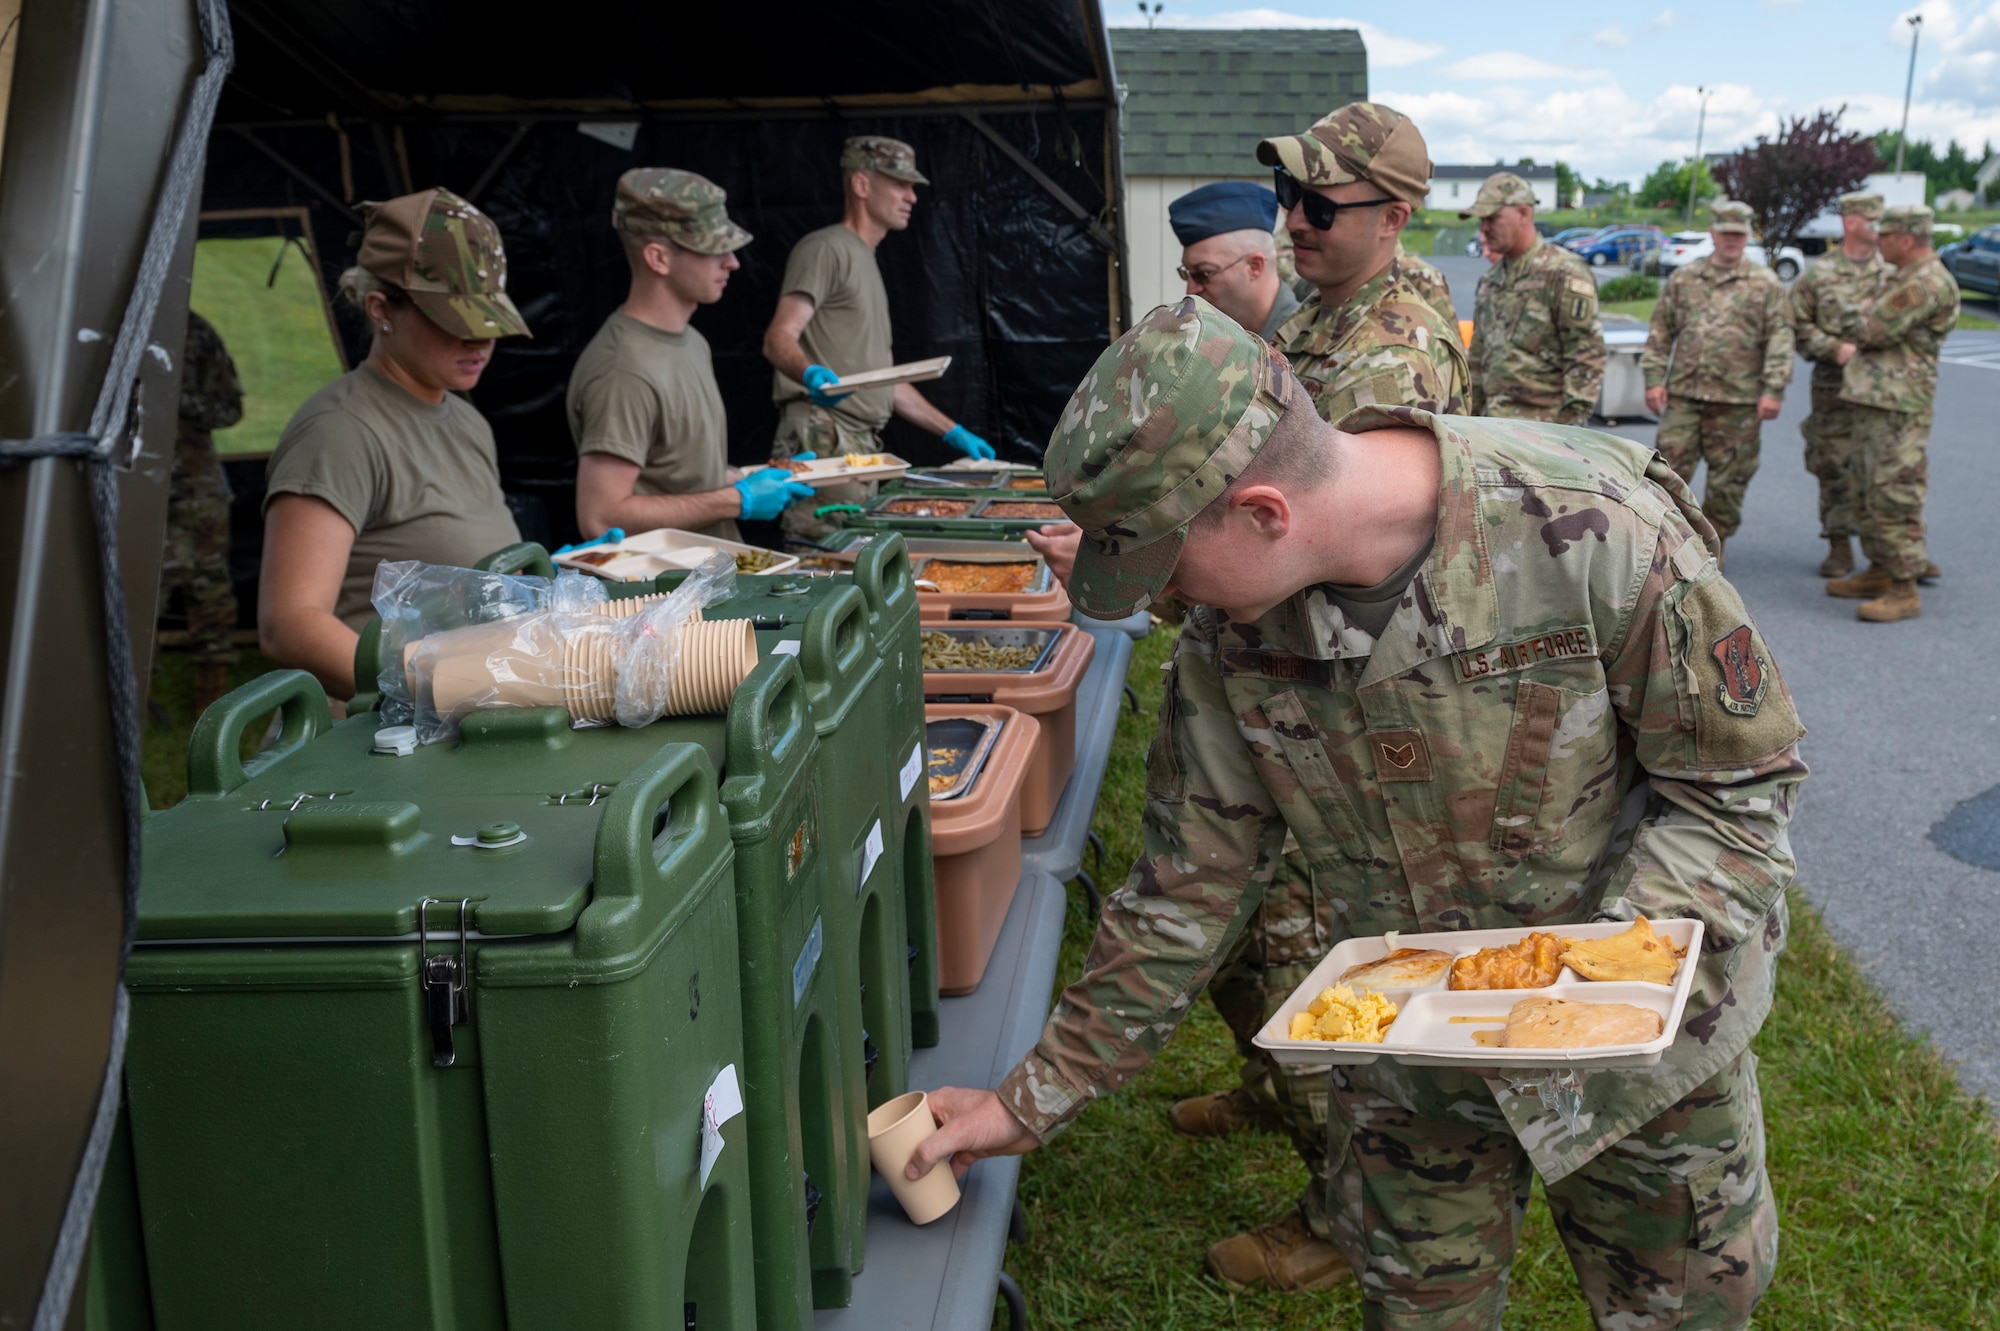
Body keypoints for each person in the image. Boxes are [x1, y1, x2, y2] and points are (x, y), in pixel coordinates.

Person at [915, 298, 1803, 1330]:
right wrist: (1027, 1098)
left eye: (1166, 564)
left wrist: (1589, 974)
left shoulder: (1596, 530)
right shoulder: (1230, 638)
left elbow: (1736, 789)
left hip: (1643, 1056)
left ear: (1259, 512)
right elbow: (1182, 889)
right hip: (1409, 1053)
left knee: (1684, 1310)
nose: (1166, 599)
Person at [259, 188, 528, 701]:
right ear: (381, 309)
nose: (480, 343)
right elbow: (289, 624)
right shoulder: (340, 430)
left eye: (490, 321)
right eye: (457, 322)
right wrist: (439, 692)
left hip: (476, 718)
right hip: (376, 742)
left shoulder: (464, 419)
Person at [762, 136, 991, 540]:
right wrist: (810, 373)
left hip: (856, 445)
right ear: (862, 184)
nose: (912, 197)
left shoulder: (865, 258)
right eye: (900, 184)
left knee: (849, 559)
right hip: (825, 435)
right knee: (822, 560)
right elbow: (779, 335)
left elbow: (885, 378)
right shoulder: (826, 248)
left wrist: (952, 431)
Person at [569, 168, 812, 541]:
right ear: (658, 258)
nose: (732, 262)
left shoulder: (692, 341)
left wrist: (749, 479)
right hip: (663, 595)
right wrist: (738, 500)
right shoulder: (623, 369)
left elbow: (679, 475)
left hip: (709, 581)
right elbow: (601, 517)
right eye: (712, 248)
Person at [1824, 204, 1959, 622]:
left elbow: (1869, 328)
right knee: (1867, 486)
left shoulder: (1924, 282)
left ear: (1905, 239)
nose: (1878, 242)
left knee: (1893, 491)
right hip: (1877, 399)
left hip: (1899, 405)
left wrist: (1858, 311)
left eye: (1885, 236)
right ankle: (1880, 569)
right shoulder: (1903, 277)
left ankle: (1904, 589)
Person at [1640, 200, 1793, 568]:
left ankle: (1712, 550)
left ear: (1747, 235)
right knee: (1667, 475)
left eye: (1739, 234)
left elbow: (1780, 338)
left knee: (1730, 482)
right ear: (1713, 233)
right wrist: (1653, 379)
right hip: (1686, 397)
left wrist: (1774, 389)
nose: (1732, 240)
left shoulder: (1765, 284)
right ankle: (1669, 545)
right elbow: (1661, 331)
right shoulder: (1685, 278)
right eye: (1725, 232)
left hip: (1738, 401)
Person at [1789, 191, 1890, 579]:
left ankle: (1892, 553)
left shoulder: (1892, 273)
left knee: (1887, 471)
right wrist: (1834, 348)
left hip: (1883, 392)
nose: (1879, 229)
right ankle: (1839, 545)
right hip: (1835, 390)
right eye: (1872, 220)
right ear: (1851, 222)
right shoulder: (1818, 274)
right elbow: (1797, 325)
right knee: (1834, 465)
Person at [1462, 171, 1606, 424]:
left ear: (1524, 214)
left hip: (1543, 432)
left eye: (1493, 218)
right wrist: (1470, 419)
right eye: (1481, 220)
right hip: (1490, 428)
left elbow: (1586, 355)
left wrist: (1570, 431)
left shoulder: (1562, 272)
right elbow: (1478, 357)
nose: (1484, 228)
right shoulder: (1491, 280)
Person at [163, 309, 245, 715]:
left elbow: (229, 408)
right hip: (120, 484)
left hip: (194, 487)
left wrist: (172, 395)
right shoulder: (95, 322)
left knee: (209, 589)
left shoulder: (192, 330)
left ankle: (211, 697)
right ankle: (127, 691)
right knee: (129, 590)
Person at [1168, 182, 1299, 339]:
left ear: (1254, 266)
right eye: (1186, 273)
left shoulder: (1303, 346)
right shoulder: (1209, 340)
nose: (1190, 290)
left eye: (1204, 274)